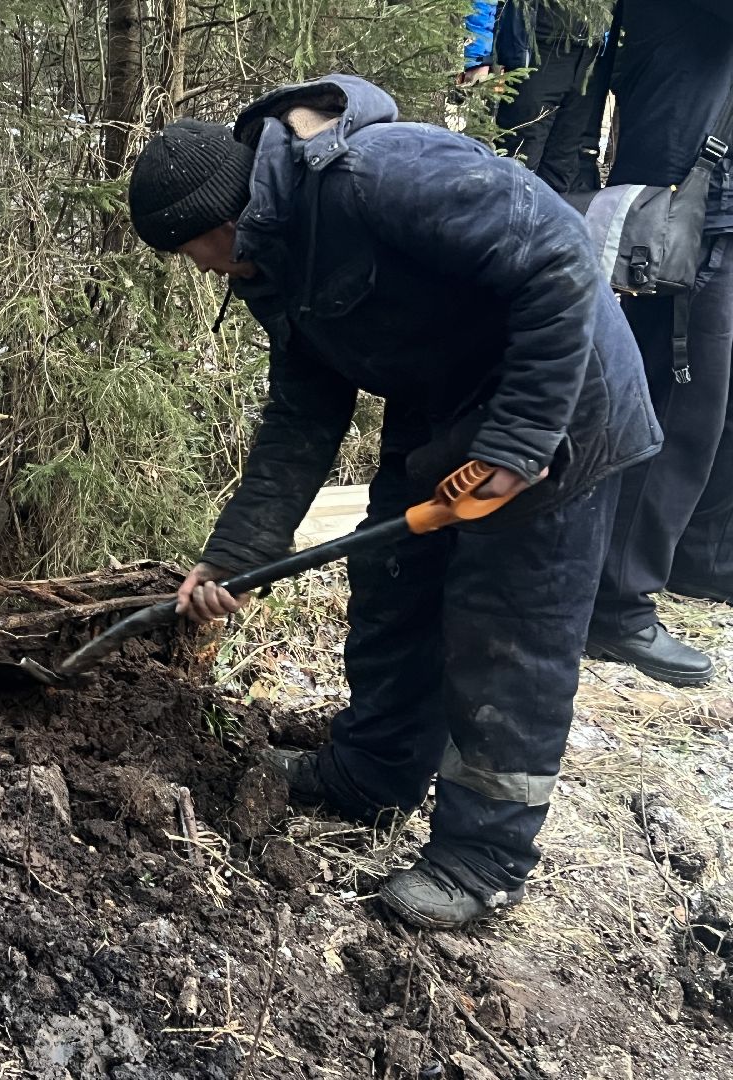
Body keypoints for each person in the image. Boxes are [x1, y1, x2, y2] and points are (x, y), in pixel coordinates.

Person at [126, 75, 660, 930]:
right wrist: (237, 555)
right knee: (392, 585)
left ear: (224, 217)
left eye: (195, 251)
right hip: (445, 414)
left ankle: (484, 856)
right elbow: (302, 414)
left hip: (563, 406)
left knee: (506, 633)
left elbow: (560, 256)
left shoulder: (381, 174)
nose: (202, 269)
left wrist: (520, 440)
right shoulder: (270, 259)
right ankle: (373, 774)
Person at [585, 1, 733, 685]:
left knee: (717, 406)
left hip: (712, 204)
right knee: (679, 409)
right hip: (686, 214)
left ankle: (701, 558)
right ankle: (614, 602)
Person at [463, 1, 609, 194]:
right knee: (519, 162)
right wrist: (478, 55)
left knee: (562, 166)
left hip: (591, 56)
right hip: (534, 50)